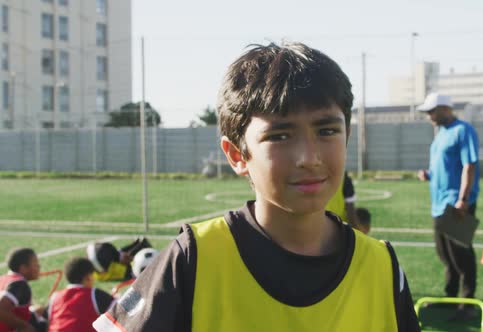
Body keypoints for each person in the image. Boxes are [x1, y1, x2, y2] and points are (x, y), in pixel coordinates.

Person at [93, 42, 420, 332]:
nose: (308, 157)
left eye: (326, 130)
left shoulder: (382, 266)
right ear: (237, 155)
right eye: (279, 136)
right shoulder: (193, 259)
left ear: (347, 136)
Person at [417, 92, 480, 321]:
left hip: (456, 203)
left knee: (461, 254)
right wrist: (428, 175)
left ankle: (468, 304)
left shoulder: (463, 130)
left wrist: (462, 199)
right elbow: (443, 167)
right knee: (445, 254)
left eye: (432, 111)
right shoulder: (441, 134)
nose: (429, 116)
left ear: (445, 108)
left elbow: (468, 165)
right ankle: (450, 297)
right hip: (439, 203)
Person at [45, 257, 115, 332]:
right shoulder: (94, 294)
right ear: (88, 277)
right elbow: (122, 313)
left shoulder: (55, 297)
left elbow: (47, 322)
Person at [0, 248, 41, 332]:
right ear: (23, 268)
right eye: (35, 263)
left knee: (39, 311)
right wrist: (24, 326)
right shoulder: (19, 284)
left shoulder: (3, 279)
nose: (39, 266)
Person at [86, 237, 152, 281]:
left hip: (98, 259)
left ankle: (139, 246)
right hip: (95, 249)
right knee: (119, 256)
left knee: (127, 269)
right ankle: (139, 245)